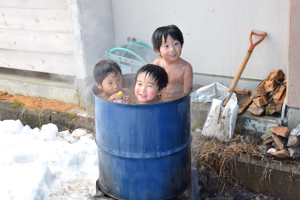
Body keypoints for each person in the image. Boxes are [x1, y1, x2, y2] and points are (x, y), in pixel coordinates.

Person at [152, 24, 193, 101]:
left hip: (177, 102)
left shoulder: (186, 67)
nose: (172, 49)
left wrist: (174, 103)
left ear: (181, 45)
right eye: (166, 46)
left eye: (176, 44)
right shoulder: (157, 64)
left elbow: (187, 92)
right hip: (160, 101)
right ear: (157, 51)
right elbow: (152, 86)